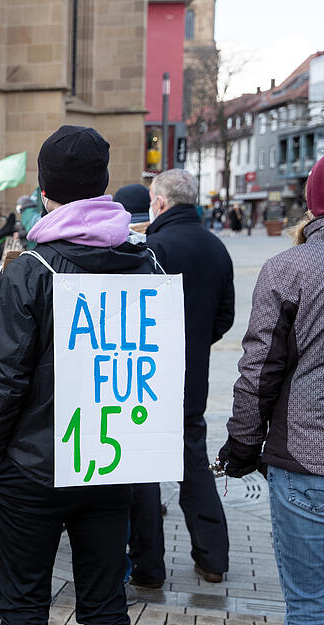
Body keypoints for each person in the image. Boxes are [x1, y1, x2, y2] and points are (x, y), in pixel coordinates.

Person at [0, 125, 156, 625]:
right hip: (108, 459)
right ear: (102, 185)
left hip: (31, 467)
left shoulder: (30, 268)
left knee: (22, 605)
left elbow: (6, 380)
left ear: (44, 191)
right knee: (103, 606)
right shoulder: (145, 262)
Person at [219, 158, 324, 624]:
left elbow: (260, 371)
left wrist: (241, 447)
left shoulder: (289, 268)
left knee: (308, 605)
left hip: (307, 460)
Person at [129, 168, 233, 588]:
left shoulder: (154, 248)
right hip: (193, 379)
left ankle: (149, 568)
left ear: (160, 203)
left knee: (143, 473)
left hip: (149, 376)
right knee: (194, 465)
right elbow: (224, 317)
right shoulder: (216, 247)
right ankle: (213, 559)